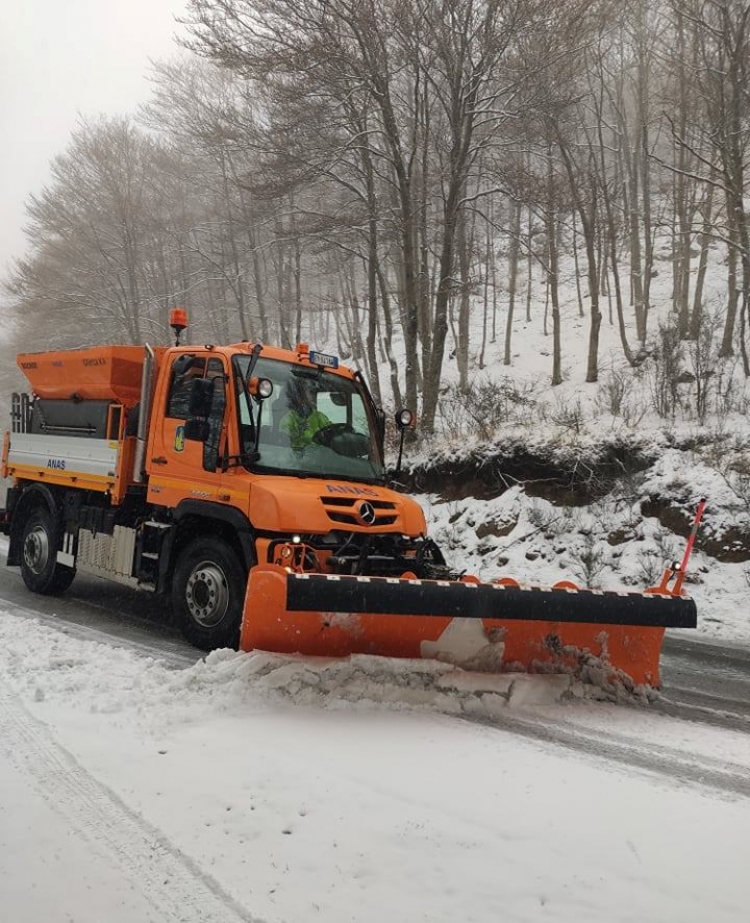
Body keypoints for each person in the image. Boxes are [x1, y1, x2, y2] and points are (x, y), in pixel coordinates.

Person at [279, 380, 331, 450]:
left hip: (318, 457)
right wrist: (298, 432)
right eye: (311, 392)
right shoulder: (288, 419)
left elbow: (331, 431)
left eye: (316, 393)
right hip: (294, 457)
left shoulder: (320, 416)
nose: (315, 396)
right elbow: (283, 440)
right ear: (300, 395)